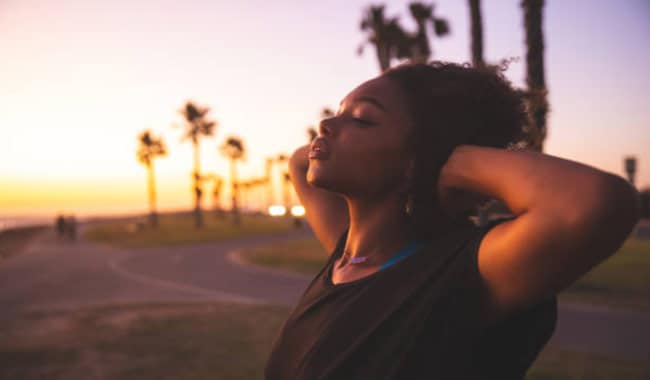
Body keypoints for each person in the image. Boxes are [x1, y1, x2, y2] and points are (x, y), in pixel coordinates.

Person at [264, 61, 640, 380]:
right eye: (338, 110)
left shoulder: (461, 273)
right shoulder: (348, 255)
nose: (327, 123)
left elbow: (594, 201)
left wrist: (447, 160)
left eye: (363, 118)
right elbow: (301, 161)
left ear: (417, 159)